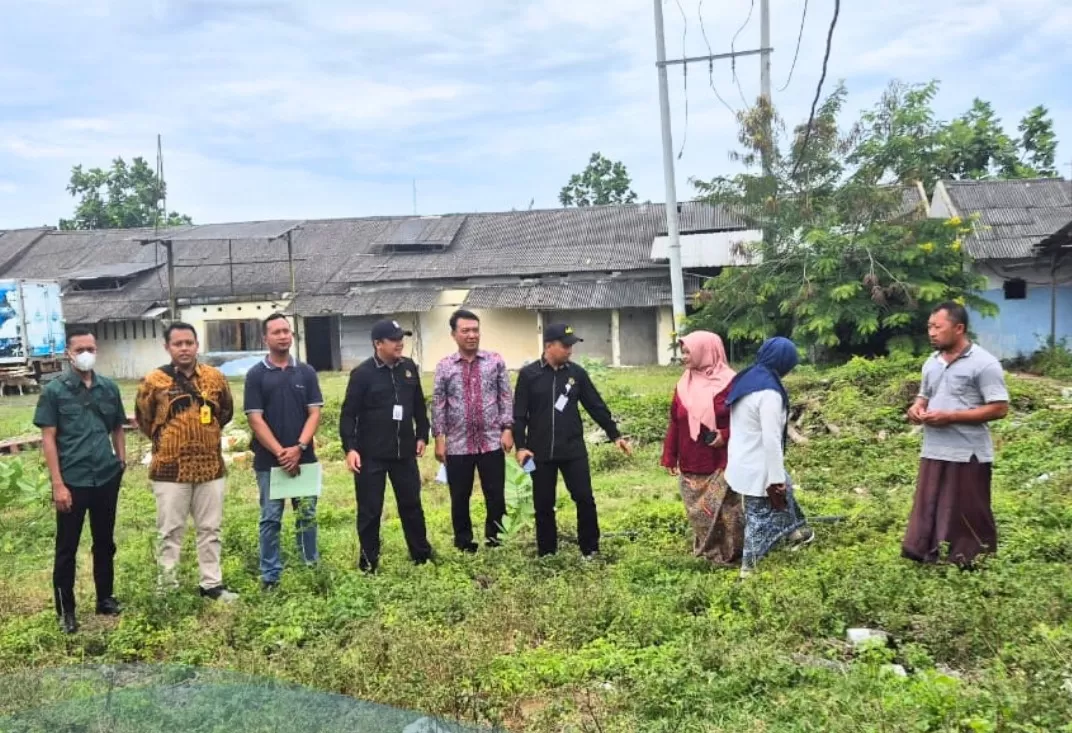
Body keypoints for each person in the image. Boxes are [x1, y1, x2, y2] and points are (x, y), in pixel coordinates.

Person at [135, 322, 237, 601]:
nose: (184, 348)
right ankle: (168, 587)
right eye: (178, 343)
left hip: (210, 467)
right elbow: (144, 419)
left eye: (189, 343)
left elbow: (225, 412)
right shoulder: (153, 381)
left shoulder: (215, 377)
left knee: (211, 528)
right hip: (170, 469)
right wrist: (170, 439)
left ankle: (211, 584)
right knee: (170, 530)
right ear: (167, 347)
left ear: (197, 345)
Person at [34, 327, 127, 633]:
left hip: (105, 476)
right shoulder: (55, 391)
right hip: (72, 480)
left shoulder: (108, 388)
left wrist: (120, 461)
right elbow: (49, 439)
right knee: (67, 548)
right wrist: (57, 483)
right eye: (80, 349)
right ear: (68, 353)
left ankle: (105, 597)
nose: (87, 353)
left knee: (104, 542)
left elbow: (118, 427)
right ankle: (66, 611)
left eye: (91, 348)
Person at [903, 302, 1009, 567]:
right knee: (930, 505)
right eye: (929, 327)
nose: (932, 332)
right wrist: (916, 408)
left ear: (959, 328)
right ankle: (928, 554)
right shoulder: (931, 362)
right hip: (934, 448)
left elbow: (999, 408)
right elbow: (923, 396)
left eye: (938, 327)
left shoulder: (985, 364)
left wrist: (950, 417)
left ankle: (970, 560)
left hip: (968, 452)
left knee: (967, 510)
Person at [513, 323, 631, 558]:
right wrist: (521, 447)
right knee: (543, 504)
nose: (570, 350)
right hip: (539, 452)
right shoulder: (529, 375)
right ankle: (547, 553)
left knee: (584, 498)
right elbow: (519, 415)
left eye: (571, 346)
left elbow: (595, 405)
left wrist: (615, 435)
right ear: (549, 345)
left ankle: (590, 549)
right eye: (565, 345)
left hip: (573, 450)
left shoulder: (576, 374)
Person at [340, 319, 434, 573]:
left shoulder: (409, 368)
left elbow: (418, 406)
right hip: (371, 455)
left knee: (412, 505)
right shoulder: (362, 374)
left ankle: (421, 555)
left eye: (401, 338)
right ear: (378, 344)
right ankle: (368, 562)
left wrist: (422, 435)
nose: (399, 343)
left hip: (404, 452)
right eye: (393, 340)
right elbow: (348, 414)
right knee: (370, 511)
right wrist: (350, 449)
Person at [243, 313, 324, 590]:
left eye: (286, 331)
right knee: (270, 519)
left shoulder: (306, 372)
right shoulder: (256, 375)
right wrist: (281, 453)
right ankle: (270, 576)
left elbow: (314, 413)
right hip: (270, 462)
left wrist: (299, 448)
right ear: (265, 338)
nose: (283, 336)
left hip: (304, 458)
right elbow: (255, 419)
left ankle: (311, 568)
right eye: (276, 332)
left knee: (307, 516)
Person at [725, 336, 813, 578]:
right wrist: (775, 480)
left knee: (788, 490)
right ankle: (748, 570)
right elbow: (772, 439)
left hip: (741, 460)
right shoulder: (769, 394)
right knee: (758, 518)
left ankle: (795, 532)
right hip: (759, 466)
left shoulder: (747, 378)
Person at [432, 309, 513, 552]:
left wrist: (508, 428)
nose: (471, 335)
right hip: (458, 444)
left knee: (495, 494)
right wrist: (439, 438)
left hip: (491, 441)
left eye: (475, 330)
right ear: (454, 335)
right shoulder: (445, 366)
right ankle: (464, 541)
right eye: (465, 330)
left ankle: (496, 538)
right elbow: (438, 404)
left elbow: (505, 396)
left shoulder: (495, 361)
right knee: (459, 496)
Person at [661, 331, 744, 566]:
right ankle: (710, 554)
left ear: (706, 351)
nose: (684, 357)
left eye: (688, 352)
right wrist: (670, 456)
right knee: (699, 513)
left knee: (727, 512)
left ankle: (732, 554)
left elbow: (746, 421)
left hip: (722, 461)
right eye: (683, 352)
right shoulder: (683, 384)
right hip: (691, 461)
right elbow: (675, 421)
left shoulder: (732, 383)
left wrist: (725, 435)